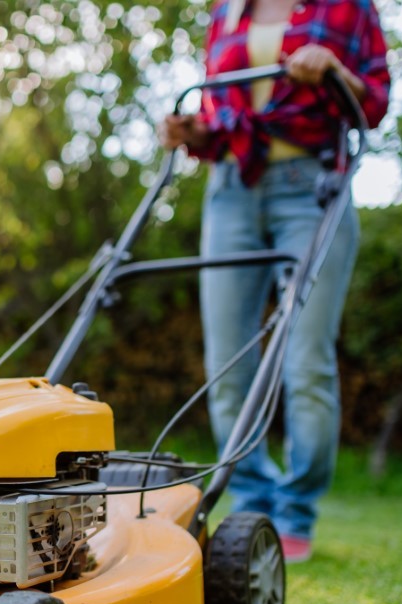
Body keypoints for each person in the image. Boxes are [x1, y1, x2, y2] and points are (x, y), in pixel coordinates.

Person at [160, 0, 390, 563]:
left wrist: (335, 69)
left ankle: (296, 514)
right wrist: (192, 129)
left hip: (312, 184)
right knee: (227, 361)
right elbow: (222, 116)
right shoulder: (225, 10)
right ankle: (252, 504)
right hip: (232, 189)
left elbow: (376, 101)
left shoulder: (348, 7)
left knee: (306, 355)